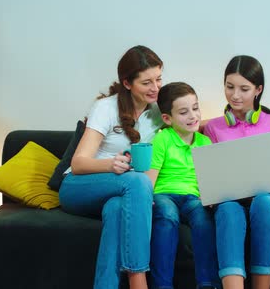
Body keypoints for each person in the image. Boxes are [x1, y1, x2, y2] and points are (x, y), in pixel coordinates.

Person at [59, 45, 164, 289]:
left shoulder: (158, 111)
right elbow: (78, 163)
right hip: (79, 186)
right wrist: (110, 164)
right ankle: (139, 281)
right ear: (127, 83)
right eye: (147, 82)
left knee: (117, 209)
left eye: (158, 79)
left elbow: (190, 120)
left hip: (121, 193)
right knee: (138, 181)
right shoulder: (106, 107)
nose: (155, 88)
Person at [202, 55, 270, 289]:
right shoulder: (213, 127)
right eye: (229, 87)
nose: (235, 95)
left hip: (268, 199)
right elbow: (210, 176)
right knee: (226, 208)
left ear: (258, 89)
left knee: (264, 202)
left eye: (244, 89)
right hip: (229, 199)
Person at [146, 82, 221, 289]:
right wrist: (147, 201)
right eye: (183, 112)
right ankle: (162, 285)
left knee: (203, 217)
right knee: (168, 215)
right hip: (164, 194)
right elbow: (150, 177)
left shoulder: (205, 142)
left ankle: (208, 283)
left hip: (193, 197)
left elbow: (211, 182)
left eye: (195, 108)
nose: (192, 116)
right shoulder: (162, 139)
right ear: (167, 119)